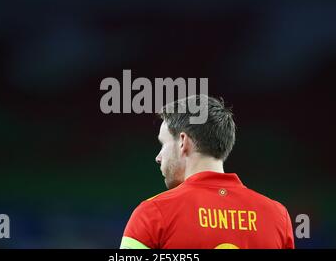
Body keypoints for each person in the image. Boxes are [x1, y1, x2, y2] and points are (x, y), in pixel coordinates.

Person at [120, 95, 295, 249]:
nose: (158, 157)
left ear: (183, 141)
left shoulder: (153, 213)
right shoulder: (277, 217)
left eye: (163, 144)